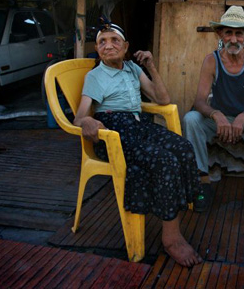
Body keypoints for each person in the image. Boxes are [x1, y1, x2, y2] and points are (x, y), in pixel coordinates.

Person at [73, 19, 202, 267]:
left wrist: (151, 66)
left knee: (183, 148)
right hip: (114, 132)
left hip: (139, 125)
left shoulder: (133, 68)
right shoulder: (95, 76)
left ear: (126, 46)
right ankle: (171, 239)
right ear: (97, 49)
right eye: (102, 42)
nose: (108, 46)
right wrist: (86, 123)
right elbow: (80, 115)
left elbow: (163, 100)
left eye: (114, 41)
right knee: (164, 160)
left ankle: (176, 205)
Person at [183, 6, 244, 220]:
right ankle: (204, 183)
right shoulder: (211, 60)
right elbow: (199, 101)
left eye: (239, 33)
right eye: (228, 32)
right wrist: (216, 115)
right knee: (190, 119)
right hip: (221, 117)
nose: (234, 38)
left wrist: (243, 116)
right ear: (220, 34)